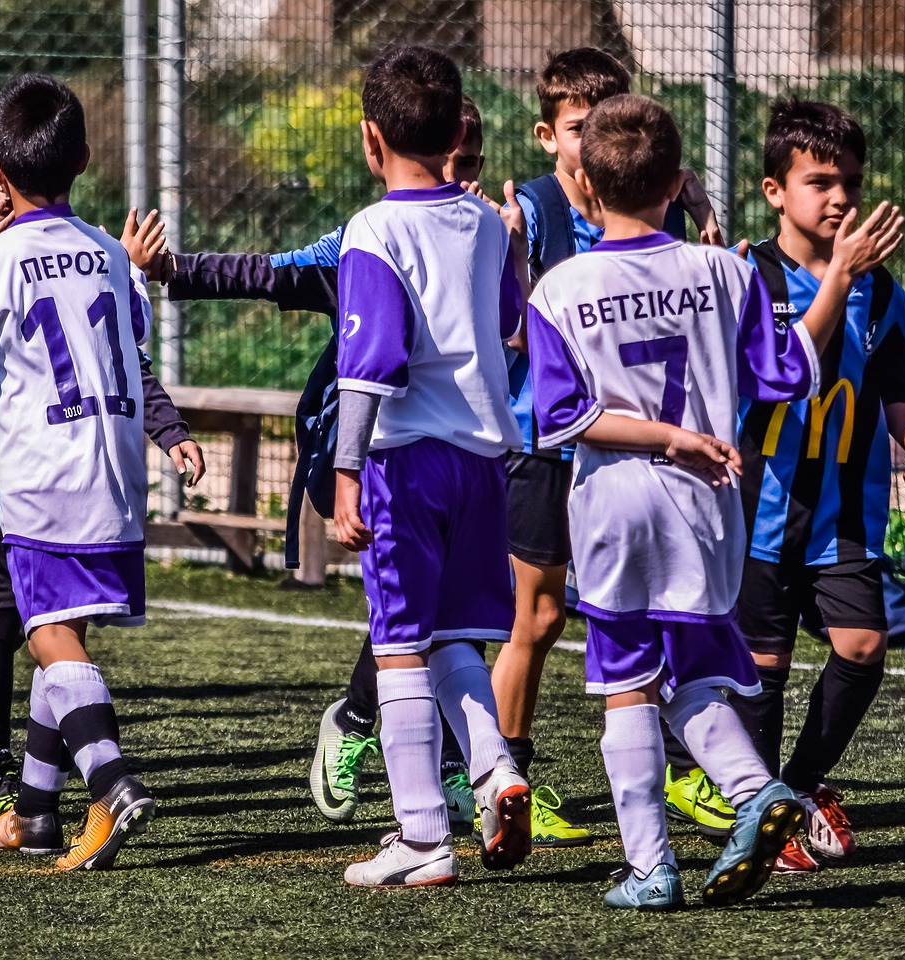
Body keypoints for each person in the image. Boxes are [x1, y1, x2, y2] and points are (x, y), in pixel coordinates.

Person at [527, 93, 901, 908]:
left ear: (584, 182)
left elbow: (560, 419)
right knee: (692, 676)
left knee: (627, 685)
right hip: (710, 506)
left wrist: (664, 436)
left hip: (618, 505)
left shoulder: (560, 288)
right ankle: (761, 793)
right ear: (679, 181)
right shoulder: (725, 272)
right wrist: (836, 279)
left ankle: (650, 868)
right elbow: (789, 372)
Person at [148, 95, 489, 836]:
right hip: (377, 458)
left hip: (483, 454)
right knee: (419, 626)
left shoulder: (491, 234)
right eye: (451, 167)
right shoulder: (365, 242)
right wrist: (174, 268)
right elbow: (270, 273)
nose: (458, 181)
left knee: (463, 624)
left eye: (470, 169)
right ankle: (370, 729)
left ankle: (463, 770)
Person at [0, 88, 205, 815]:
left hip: (44, 481)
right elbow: (130, 349)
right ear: (87, 162)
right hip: (116, 478)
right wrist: (169, 431)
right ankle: (34, 813)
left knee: (52, 643)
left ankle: (110, 780)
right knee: (62, 636)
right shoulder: (111, 256)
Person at [493, 46, 728, 843]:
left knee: (636, 623)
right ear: (551, 137)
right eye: (578, 126)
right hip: (551, 442)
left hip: (619, 458)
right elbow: (517, 331)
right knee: (541, 616)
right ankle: (503, 778)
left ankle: (677, 777)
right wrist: (516, 257)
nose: (592, 137)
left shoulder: (635, 218)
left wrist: (699, 214)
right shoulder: (528, 207)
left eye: (604, 124)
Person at [332, 45, 529, 888]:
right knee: (452, 640)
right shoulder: (488, 223)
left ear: (372, 141)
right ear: (456, 133)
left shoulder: (373, 229)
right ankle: (495, 768)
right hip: (485, 459)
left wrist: (345, 471)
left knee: (399, 645)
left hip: (404, 461)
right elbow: (514, 320)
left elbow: (369, 360)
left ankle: (421, 837)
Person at [731, 99, 905, 872]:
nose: (840, 196)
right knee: (764, 671)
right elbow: (772, 380)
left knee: (865, 643)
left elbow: (893, 381)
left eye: (849, 180)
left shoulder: (882, 292)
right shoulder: (748, 275)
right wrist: (835, 279)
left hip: (845, 513)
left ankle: (798, 788)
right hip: (762, 510)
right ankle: (758, 815)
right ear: (776, 190)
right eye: (820, 181)